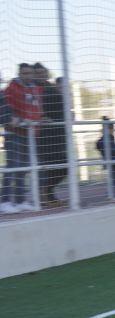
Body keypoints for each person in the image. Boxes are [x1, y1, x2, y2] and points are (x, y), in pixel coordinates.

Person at [1, 63, 43, 214]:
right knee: (12, 167)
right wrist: (18, 120)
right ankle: (5, 201)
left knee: (23, 169)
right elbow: (7, 110)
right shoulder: (11, 89)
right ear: (19, 73)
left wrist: (40, 119)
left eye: (30, 73)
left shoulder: (35, 88)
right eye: (25, 73)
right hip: (15, 133)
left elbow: (36, 108)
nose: (28, 76)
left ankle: (20, 200)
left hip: (30, 134)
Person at [34, 66, 68, 207]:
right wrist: (42, 117)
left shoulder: (51, 87)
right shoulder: (35, 90)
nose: (41, 75)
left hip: (58, 135)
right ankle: (45, 198)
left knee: (63, 166)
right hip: (44, 137)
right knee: (48, 168)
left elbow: (61, 108)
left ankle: (48, 196)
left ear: (47, 73)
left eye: (43, 72)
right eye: (38, 73)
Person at [96, 117, 115, 196]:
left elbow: (112, 148)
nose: (114, 130)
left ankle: (112, 193)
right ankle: (112, 194)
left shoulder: (109, 137)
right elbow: (111, 149)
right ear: (110, 129)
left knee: (113, 177)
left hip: (111, 159)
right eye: (113, 128)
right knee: (112, 177)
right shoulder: (106, 137)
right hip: (111, 159)